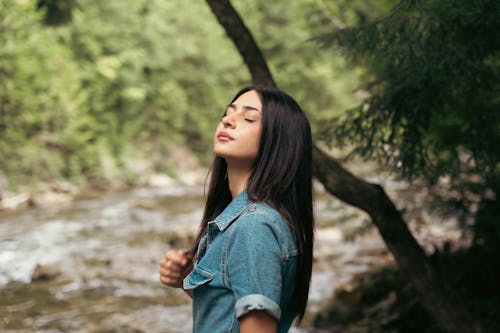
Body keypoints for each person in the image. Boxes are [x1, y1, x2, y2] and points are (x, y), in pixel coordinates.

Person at [159, 86, 314, 333]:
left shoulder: (254, 227)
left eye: (248, 118)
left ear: (279, 141)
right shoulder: (248, 218)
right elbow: (229, 315)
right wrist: (187, 279)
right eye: (228, 113)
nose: (228, 121)